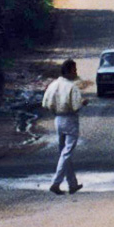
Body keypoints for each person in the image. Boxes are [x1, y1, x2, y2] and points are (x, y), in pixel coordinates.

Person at [41, 59, 88, 195]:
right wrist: (83, 102)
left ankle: (72, 183)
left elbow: (45, 103)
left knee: (64, 152)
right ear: (68, 71)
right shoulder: (71, 87)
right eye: (74, 70)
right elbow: (75, 105)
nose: (76, 73)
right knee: (66, 152)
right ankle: (56, 183)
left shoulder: (53, 85)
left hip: (57, 119)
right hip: (70, 119)